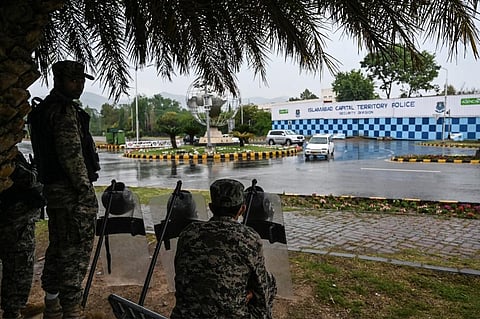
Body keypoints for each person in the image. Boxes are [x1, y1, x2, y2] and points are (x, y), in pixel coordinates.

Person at [28, 60, 100, 319]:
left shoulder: (43, 111)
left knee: (58, 248)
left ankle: (53, 306)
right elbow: (71, 156)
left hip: (55, 193)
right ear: (59, 80)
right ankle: (71, 311)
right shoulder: (63, 112)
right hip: (71, 194)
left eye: (81, 80)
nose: (79, 85)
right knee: (75, 253)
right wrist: (85, 192)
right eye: (74, 80)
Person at [170, 179, 277, 319]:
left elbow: (183, 274)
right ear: (242, 209)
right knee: (269, 284)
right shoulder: (249, 238)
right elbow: (262, 289)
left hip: (185, 316)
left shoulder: (188, 233)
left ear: (211, 207)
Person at [0, 150, 44, 319]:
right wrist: (37, 169)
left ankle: (16, 306)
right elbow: (29, 180)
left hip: (13, 219)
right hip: (15, 222)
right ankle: (14, 309)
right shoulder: (6, 155)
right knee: (19, 266)